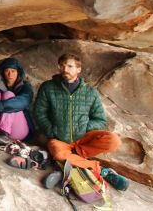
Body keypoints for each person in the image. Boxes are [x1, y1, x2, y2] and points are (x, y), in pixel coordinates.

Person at [33, 52, 129, 190]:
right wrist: (52, 130)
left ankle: (69, 163)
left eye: (70, 66)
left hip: (83, 141)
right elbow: (39, 112)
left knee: (114, 141)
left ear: (79, 69)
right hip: (60, 139)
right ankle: (102, 171)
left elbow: (100, 119)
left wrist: (84, 128)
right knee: (59, 153)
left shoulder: (90, 92)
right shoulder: (48, 87)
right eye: (62, 66)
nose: (65, 69)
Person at [0, 57, 35, 142]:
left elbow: (24, 100)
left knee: (8, 94)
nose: (10, 74)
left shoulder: (25, 86)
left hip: (19, 130)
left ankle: (4, 133)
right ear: (2, 72)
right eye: (7, 71)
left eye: (13, 71)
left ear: (18, 73)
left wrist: (2, 105)